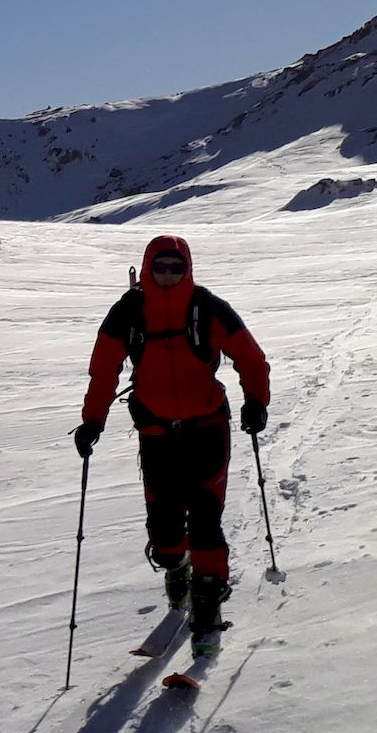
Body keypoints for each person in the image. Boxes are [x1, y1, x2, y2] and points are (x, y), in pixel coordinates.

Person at [72, 235, 272, 659]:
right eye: (160, 267)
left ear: (188, 269)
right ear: (147, 268)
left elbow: (251, 357)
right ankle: (176, 568)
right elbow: (103, 370)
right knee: (165, 532)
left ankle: (207, 609)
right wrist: (93, 421)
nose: (167, 275)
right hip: (157, 433)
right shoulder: (128, 312)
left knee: (205, 522)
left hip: (207, 428)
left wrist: (256, 401)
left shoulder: (208, 307)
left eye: (175, 268)